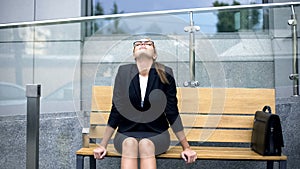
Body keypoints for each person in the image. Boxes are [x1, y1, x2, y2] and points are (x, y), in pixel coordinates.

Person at [93, 38, 197, 169]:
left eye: (148, 43)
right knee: (130, 144)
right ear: (134, 55)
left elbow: (172, 112)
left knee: (145, 144)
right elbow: (116, 109)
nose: (142, 44)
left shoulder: (165, 73)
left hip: (157, 134)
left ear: (154, 55)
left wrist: (186, 147)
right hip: (126, 132)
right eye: (138, 44)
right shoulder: (124, 72)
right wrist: (103, 144)